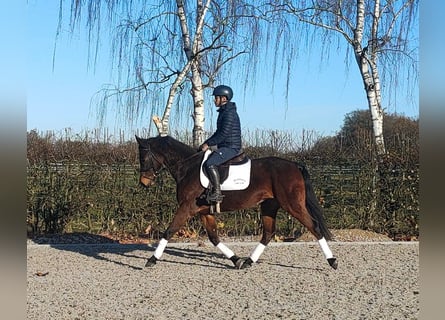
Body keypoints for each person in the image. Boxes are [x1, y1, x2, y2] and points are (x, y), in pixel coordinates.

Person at [199, 85, 242, 204]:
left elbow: (223, 134)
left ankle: (217, 193)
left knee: (210, 163)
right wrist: (206, 143)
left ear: (224, 98)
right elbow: (218, 132)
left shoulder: (229, 113)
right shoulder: (224, 112)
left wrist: (209, 143)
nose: (214, 100)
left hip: (231, 147)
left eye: (216, 97)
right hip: (225, 146)